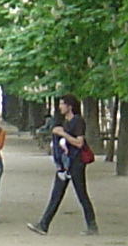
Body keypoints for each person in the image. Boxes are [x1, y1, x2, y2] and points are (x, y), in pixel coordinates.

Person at [30, 94, 98, 235]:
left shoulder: (78, 121)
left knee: (81, 194)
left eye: (62, 104)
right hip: (65, 163)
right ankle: (43, 224)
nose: (60, 107)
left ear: (69, 106)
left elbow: (79, 143)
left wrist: (63, 134)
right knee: (56, 194)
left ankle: (92, 225)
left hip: (76, 162)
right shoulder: (65, 122)